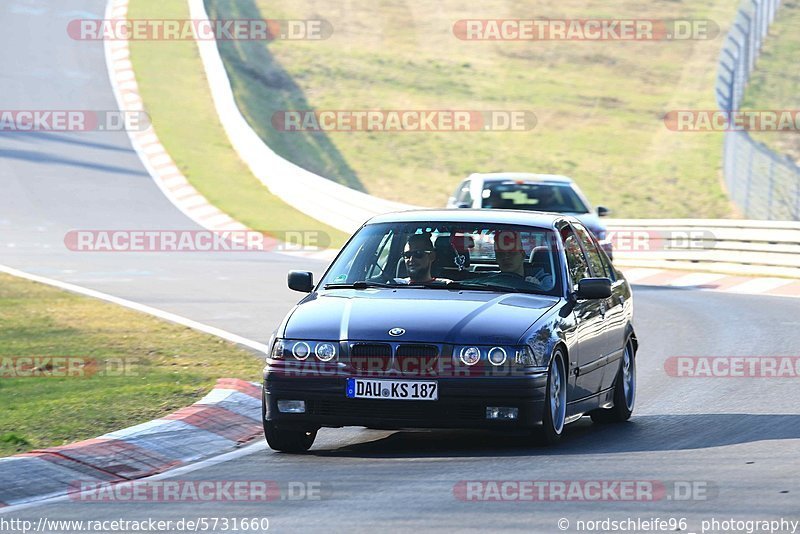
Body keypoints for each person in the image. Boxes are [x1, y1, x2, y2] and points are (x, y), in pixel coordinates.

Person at [483, 230, 552, 288]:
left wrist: (536, 288)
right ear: (496, 258)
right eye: (500, 254)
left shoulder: (545, 282)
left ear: (522, 255)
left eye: (511, 253)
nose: (505, 257)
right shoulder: (487, 283)